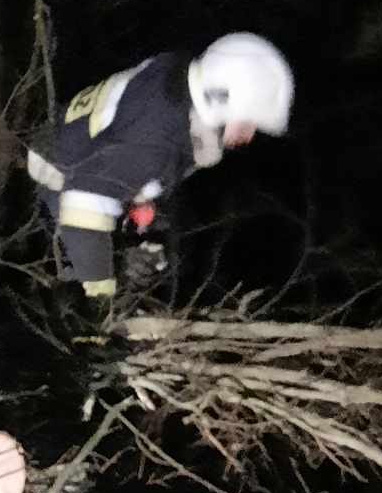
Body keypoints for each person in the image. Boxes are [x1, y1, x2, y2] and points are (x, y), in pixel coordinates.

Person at [28, 32, 293, 315]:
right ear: (219, 99)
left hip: (88, 165)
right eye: (248, 121)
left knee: (145, 257)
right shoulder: (156, 138)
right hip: (56, 176)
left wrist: (143, 233)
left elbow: (135, 168)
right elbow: (84, 207)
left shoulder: (178, 89)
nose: (249, 135)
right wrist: (100, 300)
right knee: (83, 289)